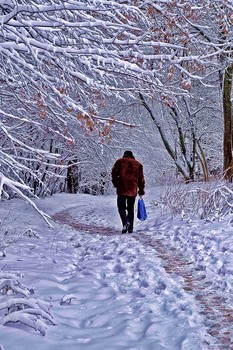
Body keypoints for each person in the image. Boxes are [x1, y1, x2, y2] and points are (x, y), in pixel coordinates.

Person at [111, 150, 145, 233]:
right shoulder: (138, 164)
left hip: (122, 188)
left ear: (124, 155)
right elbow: (141, 179)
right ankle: (130, 228)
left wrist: (116, 183)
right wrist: (141, 190)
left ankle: (125, 222)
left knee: (121, 207)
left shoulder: (119, 162)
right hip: (132, 190)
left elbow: (113, 173)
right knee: (130, 208)